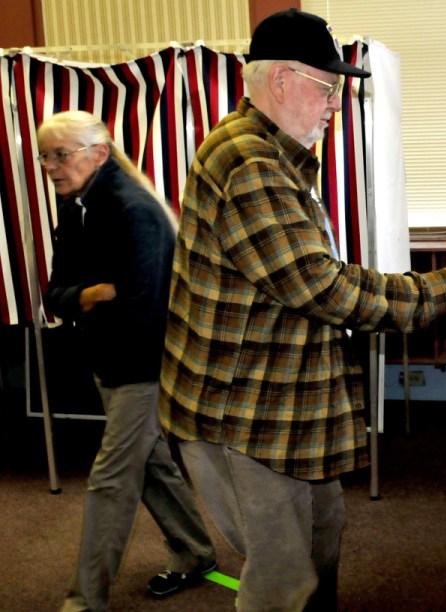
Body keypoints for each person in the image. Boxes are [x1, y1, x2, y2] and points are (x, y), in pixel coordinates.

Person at [159, 8, 446, 611]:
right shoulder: (250, 163)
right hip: (246, 417)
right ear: (282, 80)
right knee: (283, 582)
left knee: (320, 542)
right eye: (329, 88)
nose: (336, 105)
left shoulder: (269, 153)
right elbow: (324, 288)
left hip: (276, 402)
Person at [39, 110, 217, 612]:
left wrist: (90, 297)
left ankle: (84, 601)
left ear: (99, 153)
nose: (51, 166)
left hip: (143, 364)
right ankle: (195, 551)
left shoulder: (131, 207)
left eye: (61, 155)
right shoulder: (77, 207)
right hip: (111, 358)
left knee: (112, 478)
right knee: (153, 464)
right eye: (45, 156)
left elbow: (141, 301)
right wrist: (92, 293)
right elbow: (57, 293)